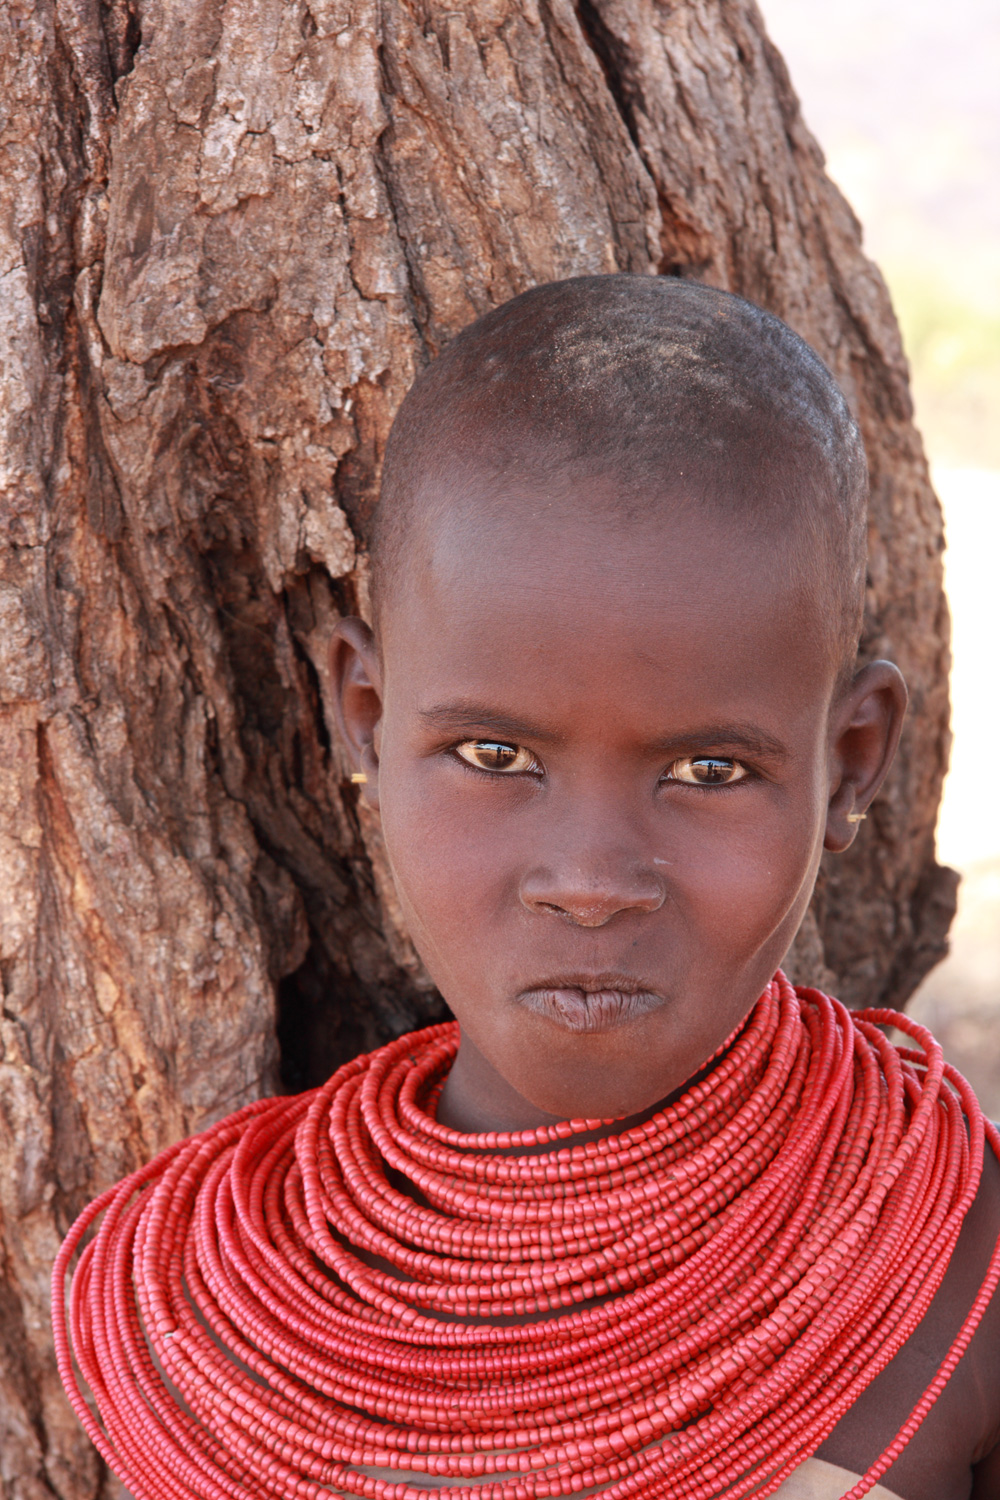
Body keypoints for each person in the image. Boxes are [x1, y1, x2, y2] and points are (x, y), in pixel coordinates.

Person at [53, 277, 1000, 1500]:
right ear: (366, 714)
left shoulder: (956, 1278)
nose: (591, 883)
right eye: (495, 757)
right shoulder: (207, 1328)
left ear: (850, 756)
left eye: (709, 770)